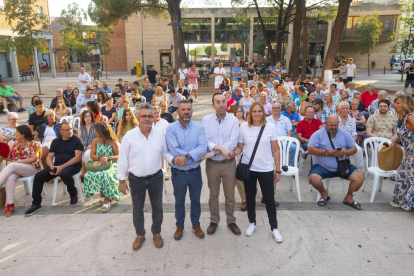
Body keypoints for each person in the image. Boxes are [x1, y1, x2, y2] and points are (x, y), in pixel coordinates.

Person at [117, 104, 179, 250]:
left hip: (156, 177)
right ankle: (140, 235)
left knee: (157, 207)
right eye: (143, 116)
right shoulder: (129, 136)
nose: (147, 119)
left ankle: (156, 233)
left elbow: (165, 153)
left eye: (150, 116)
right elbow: (122, 160)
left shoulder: (158, 134)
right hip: (136, 179)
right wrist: (121, 181)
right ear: (137, 118)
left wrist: (173, 160)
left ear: (154, 117)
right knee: (137, 208)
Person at [232, 102, 283, 242]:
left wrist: (278, 170)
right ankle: (252, 223)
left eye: (259, 111)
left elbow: (276, 150)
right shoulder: (243, 127)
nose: (257, 114)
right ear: (250, 113)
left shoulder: (270, 127)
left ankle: (274, 228)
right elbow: (240, 148)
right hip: (249, 168)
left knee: (269, 199)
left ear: (263, 112)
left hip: (266, 168)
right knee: (250, 197)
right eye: (254, 111)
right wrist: (231, 153)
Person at [166, 100, 208, 240]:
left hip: (195, 172)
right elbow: (174, 149)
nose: (186, 112)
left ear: (192, 111)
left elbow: (203, 147)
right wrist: (191, 156)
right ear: (178, 111)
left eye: (188, 109)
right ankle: (180, 225)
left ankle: (196, 224)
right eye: (183, 109)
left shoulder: (199, 128)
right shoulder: (171, 129)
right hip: (178, 173)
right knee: (179, 201)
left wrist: (187, 156)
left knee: (196, 200)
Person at [200, 93, 241, 236]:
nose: (221, 104)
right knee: (213, 195)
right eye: (218, 102)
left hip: (229, 164)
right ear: (213, 105)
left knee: (230, 195)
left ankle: (231, 220)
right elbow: (207, 140)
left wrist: (216, 151)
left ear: (227, 104)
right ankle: (214, 221)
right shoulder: (206, 120)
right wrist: (222, 149)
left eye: (224, 101)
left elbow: (233, 141)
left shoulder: (234, 120)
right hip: (212, 165)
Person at [24, 121, 83, 216]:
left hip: (73, 165)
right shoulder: (56, 141)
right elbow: (49, 157)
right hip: (57, 165)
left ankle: (73, 193)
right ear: (61, 131)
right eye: (67, 130)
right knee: (38, 176)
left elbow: (77, 158)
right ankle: (36, 203)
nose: (70, 131)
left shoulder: (77, 141)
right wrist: (52, 167)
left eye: (71, 129)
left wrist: (61, 167)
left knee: (64, 174)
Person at [308, 114, 365, 210]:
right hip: (322, 166)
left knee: (360, 176)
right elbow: (310, 149)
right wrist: (326, 152)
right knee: (313, 178)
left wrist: (344, 153)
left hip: (342, 165)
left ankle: (348, 197)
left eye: (335, 125)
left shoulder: (345, 133)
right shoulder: (317, 134)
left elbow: (354, 149)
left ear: (338, 124)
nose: (333, 128)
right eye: (331, 125)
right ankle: (324, 193)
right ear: (326, 123)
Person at [1, 125, 42, 216]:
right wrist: (2, 155)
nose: (14, 134)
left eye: (16, 132)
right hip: (17, 168)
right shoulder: (15, 144)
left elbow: (34, 159)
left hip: (31, 168)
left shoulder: (34, 144)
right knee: (10, 177)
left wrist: (19, 161)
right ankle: (10, 205)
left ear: (23, 134)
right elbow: (10, 158)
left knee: (12, 166)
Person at [83, 122, 120, 213]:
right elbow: (92, 155)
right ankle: (103, 195)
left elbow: (118, 156)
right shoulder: (95, 141)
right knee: (89, 174)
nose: (94, 131)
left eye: (96, 130)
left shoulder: (112, 142)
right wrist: (100, 158)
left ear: (102, 131)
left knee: (105, 174)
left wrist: (108, 158)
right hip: (99, 163)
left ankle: (108, 199)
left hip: (112, 164)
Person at [389, 96, 414, 210]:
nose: (395, 105)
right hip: (409, 154)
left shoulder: (410, 117)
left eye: (398, 103)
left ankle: (409, 203)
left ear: (405, 105)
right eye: (395, 103)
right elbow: (402, 133)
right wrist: (393, 141)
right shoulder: (402, 118)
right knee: (404, 177)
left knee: (411, 178)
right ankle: (402, 200)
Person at [337, 102, 364, 171]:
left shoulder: (352, 120)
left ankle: (359, 169)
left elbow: (354, 133)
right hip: (338, 142)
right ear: (339, 110)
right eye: (343, 108)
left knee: (359, 150)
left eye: (346, 108)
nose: (345, 110)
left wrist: (351, 142)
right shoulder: (336, 120)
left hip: (350, 141)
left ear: (349, 109)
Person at [268, 102, 296, 168]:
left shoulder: (286, 119)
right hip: (272, 142)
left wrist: (283, 142)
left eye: (278, 108)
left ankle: (291, 166)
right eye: (274, 108)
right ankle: (271, 167)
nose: (276, 109)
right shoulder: (267, 120)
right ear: (272, 109)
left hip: (285, 141)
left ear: (280, 109)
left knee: (294, 148)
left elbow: (289, 133)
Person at [78, 110, 96, 177]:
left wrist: (92, 145)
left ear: (91, 117)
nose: (88, 118)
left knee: (87, 154)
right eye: (86, 117)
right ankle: (83, 174)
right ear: (83, 118)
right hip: (83, 147)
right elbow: (78, 139)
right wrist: (82, 146)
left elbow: (99, 139)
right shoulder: (81, 128)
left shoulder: (96, 126)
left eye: (89, 116)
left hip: (93, 147)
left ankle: (88, 174)